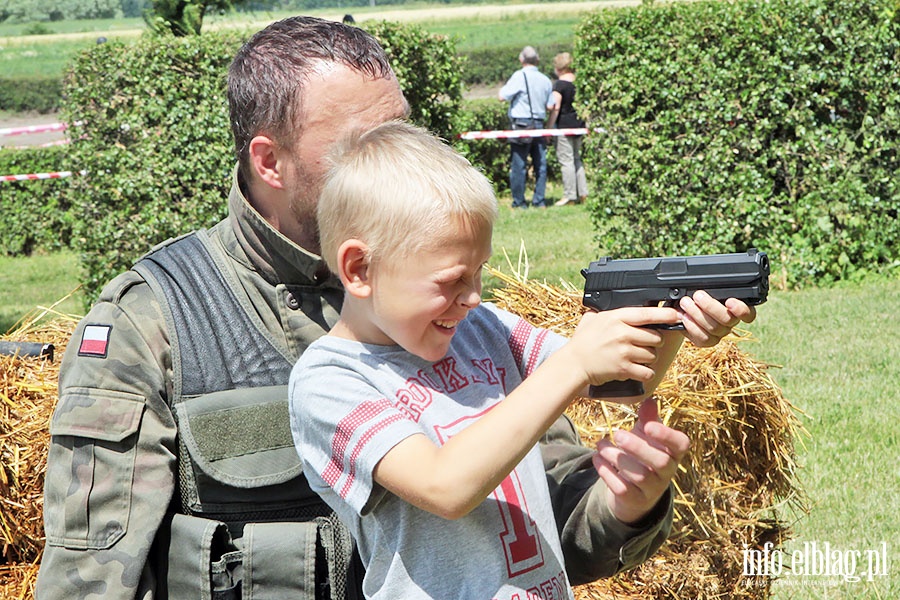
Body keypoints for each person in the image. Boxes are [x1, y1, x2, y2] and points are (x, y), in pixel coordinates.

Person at [35, 15, 754, 600]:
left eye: (404, 130)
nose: (398, 156)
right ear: (269, 160)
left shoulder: (451, 310)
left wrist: (630, 498)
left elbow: (556, 519)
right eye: (361, 144)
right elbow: (89, 576)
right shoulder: (155, 319)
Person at [289, 120, 757, 599]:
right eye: (452, 280)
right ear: (359, 269)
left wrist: (672, 322)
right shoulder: (329, 380)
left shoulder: (480, 329)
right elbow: (445, 486)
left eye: (479, 272)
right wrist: (575, 362)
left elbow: (615, 381)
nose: (473, 296)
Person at [498, 45, 554, 209]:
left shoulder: (518, 76)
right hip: (539, 124)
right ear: (537, 60)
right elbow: (550, 105)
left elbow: (502, 96)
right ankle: (539, 201)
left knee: (519, 165)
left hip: (520, 125)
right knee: (540, 165)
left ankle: (519, 202)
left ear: (521, 59)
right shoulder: (545, 79)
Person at [546, 52, 589, 207]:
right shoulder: (579, 83)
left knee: (566, 161)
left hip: (564, 126)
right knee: (577, 159)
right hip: (579, 126)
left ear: (559, 68)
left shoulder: (559, 85)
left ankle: (569, 195)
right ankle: (583, 192)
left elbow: (555, 108)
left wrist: (549, 129)